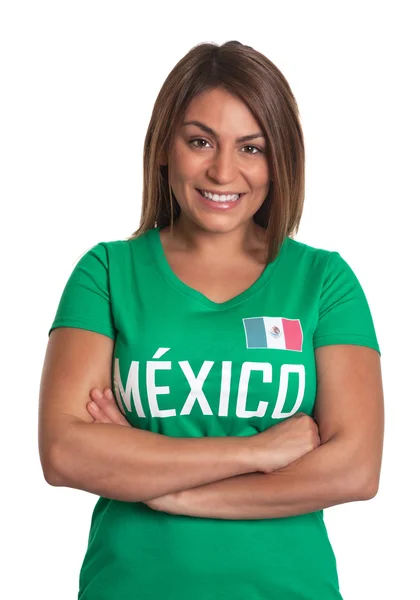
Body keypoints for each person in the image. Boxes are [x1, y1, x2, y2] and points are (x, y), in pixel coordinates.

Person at [38, 40, 384, 600]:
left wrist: (164, 489)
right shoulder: (106, 272)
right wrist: (255, 450)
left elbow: (354, 471)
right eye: (200, 141)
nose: (223, 171)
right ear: (164, 148)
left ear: (280, 160)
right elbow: (65, 452)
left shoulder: (324, 282)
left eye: (251, 147)